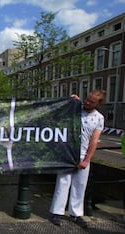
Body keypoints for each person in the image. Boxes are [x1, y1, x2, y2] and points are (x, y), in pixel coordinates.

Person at [49, 90, 106, 228]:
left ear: (98, 104)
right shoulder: (75, 108)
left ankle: (76, 214)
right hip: (68, 153)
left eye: (91, 101)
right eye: (87, 99)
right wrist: (69, 101)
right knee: (63, 183)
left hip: (82, 154)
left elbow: (94, 140)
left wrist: (87, 159)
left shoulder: (99, 118)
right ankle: (57, 213)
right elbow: (56, 113)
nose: (87, 102)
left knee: (80, 185)